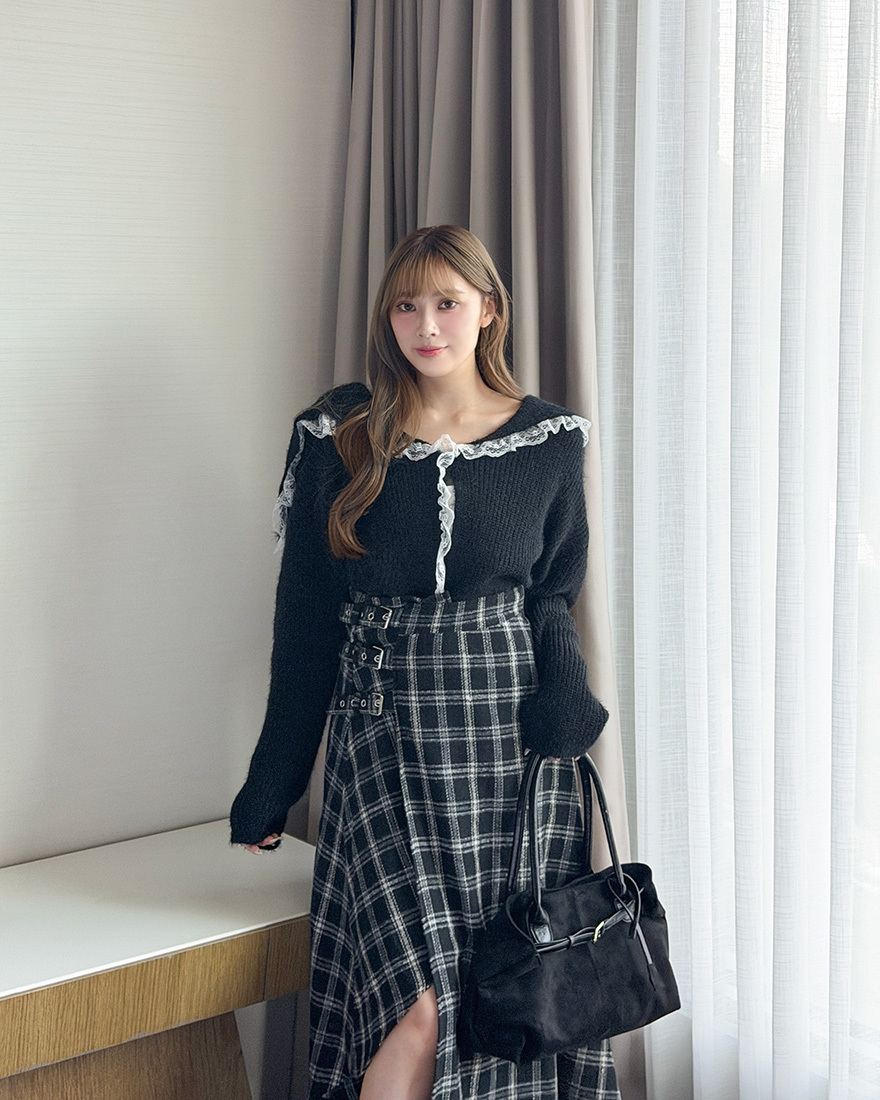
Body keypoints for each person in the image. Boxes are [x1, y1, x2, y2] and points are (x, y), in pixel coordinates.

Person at [229, 225, 619, 1100]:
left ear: (489, 311)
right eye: (406, 305)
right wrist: (272, 784)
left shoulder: (549, 440)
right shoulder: (339, 433)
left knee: (502, 993)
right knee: (416, 1006)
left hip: (508, 749)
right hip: (382, 738)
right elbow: (305, 627)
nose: (426, 324)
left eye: (447, 302)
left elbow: (553, 593)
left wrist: (565, 696)